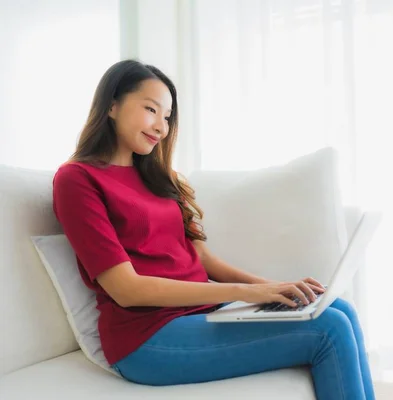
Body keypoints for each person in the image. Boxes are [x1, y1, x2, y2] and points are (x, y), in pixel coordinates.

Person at [52, 59, 375, 400]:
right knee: (329, 329)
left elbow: (202, 258)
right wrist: (246, 294)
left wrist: (276, 288)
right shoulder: (77, 180)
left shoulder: (161, 178)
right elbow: (126, 289)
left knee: (338, 307)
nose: (161, 127)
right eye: (151, 109)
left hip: (202, 316)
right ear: (112, 105)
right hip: (147, 338)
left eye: (167, 117)